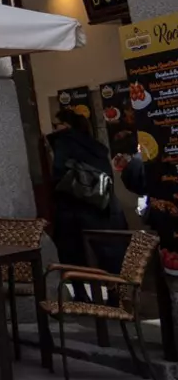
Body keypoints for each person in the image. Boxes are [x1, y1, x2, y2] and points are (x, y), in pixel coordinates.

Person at [47, 107, 126, 269]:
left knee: (76, 261)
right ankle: (113, 292)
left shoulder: (64, 142)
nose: (54, 128)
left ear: (66, 125)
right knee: (107, 260)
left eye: (56, 124)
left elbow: (59, 174)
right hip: (104, 208)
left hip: (74, 213)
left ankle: (85, 293)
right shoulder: (96, 146)